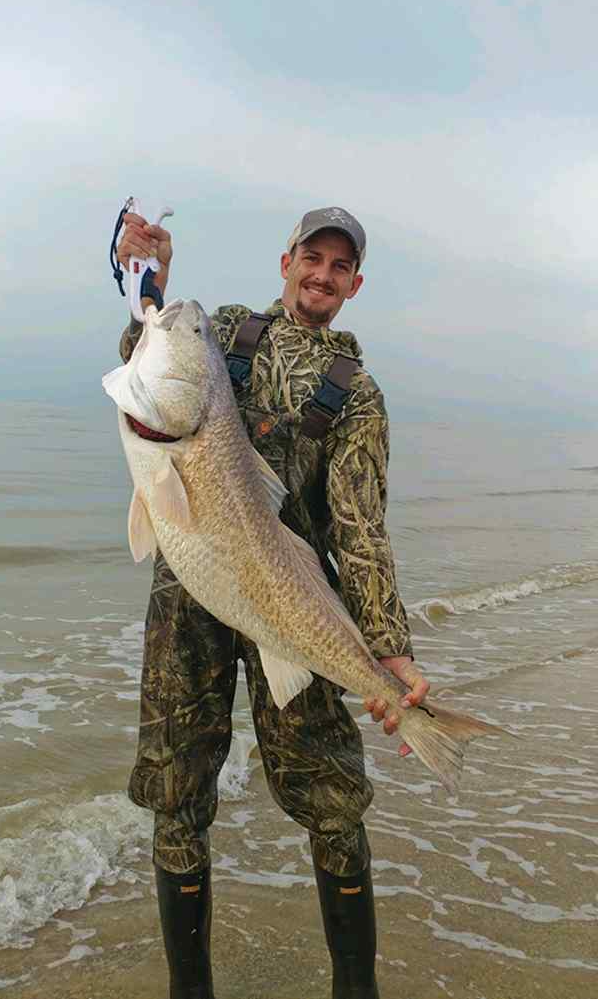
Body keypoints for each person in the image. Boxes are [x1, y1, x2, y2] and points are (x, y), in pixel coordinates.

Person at [115, 207, 430, 999]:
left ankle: (355, 990)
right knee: (176, 792)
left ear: (354, 285)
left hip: (290, 600)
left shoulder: (358, 395)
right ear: (286, 259)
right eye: (311, 257)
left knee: (333, 798)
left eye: (338, 266)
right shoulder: (221, 332)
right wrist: (147, 276)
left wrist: (391, 647)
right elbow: (147, 354)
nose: (321, 275)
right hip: (189, 592)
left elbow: (359, 529)